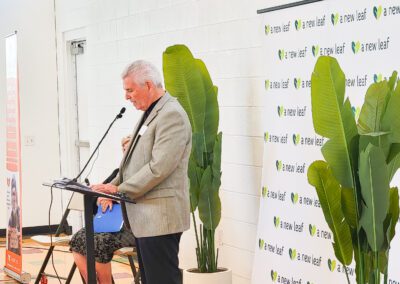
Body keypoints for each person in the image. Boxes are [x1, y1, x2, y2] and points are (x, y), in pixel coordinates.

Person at [92, 60, 192, 284]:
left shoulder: (171, 114)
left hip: (160, 218)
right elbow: (134, 163)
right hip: (146, 218)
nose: (127, 96)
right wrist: (113, 185)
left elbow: (159, 168)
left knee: (162, 280)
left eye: (130, 90)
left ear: (148, 85)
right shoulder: (152, 111)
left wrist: (119, 189)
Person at [69, 135, 135, 284]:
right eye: (124, 150)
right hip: (106, 224)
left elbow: (137, 199)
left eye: (129, 149)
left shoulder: (140, 176)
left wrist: (115, 197)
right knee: (77, 239)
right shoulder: (117, 173)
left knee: (100, 242)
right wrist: (101, 198)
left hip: (130, 227)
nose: (126, 153)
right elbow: (97, 196)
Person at [7, 175, 21, 255]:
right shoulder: (11, 212)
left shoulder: (18, 210)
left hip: (17, 243)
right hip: (12, 242)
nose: (13, 197)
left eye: (14, 194)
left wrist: (18, 232)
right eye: (12, 195)